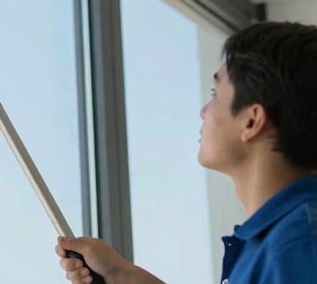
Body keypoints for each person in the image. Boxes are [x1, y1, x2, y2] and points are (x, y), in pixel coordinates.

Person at [56, 21, 317, 284]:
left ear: (252, 121)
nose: (203, 111)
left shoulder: (298, 246)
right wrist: (122, 275)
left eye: (215, 94)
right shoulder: (282, 242)